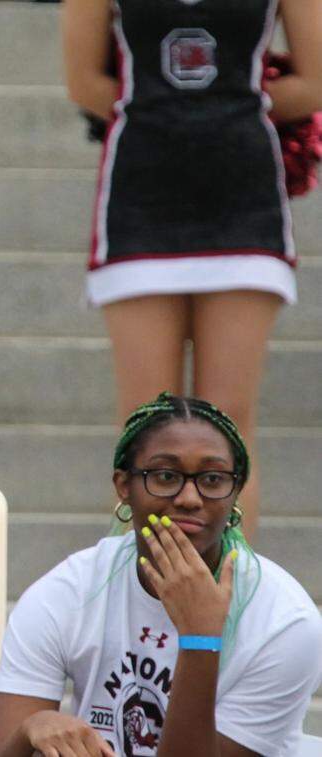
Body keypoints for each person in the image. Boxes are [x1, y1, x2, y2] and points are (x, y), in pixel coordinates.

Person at [62, 0, 322, 536]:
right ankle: (146, 596)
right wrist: (164, 110)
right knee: (147, 427)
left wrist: (228, 105)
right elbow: (85, 81)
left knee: (226, 422)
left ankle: (229, 596)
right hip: (140, 200)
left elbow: (316, 81)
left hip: (242, 203)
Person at [0, 394, 322, 757]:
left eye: (212, 478)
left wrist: (200, 639)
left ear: (235, 491)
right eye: (165, 476)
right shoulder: (70, 591)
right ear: (124, 486)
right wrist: (28, 729)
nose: (190, 497)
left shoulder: (285, 622)